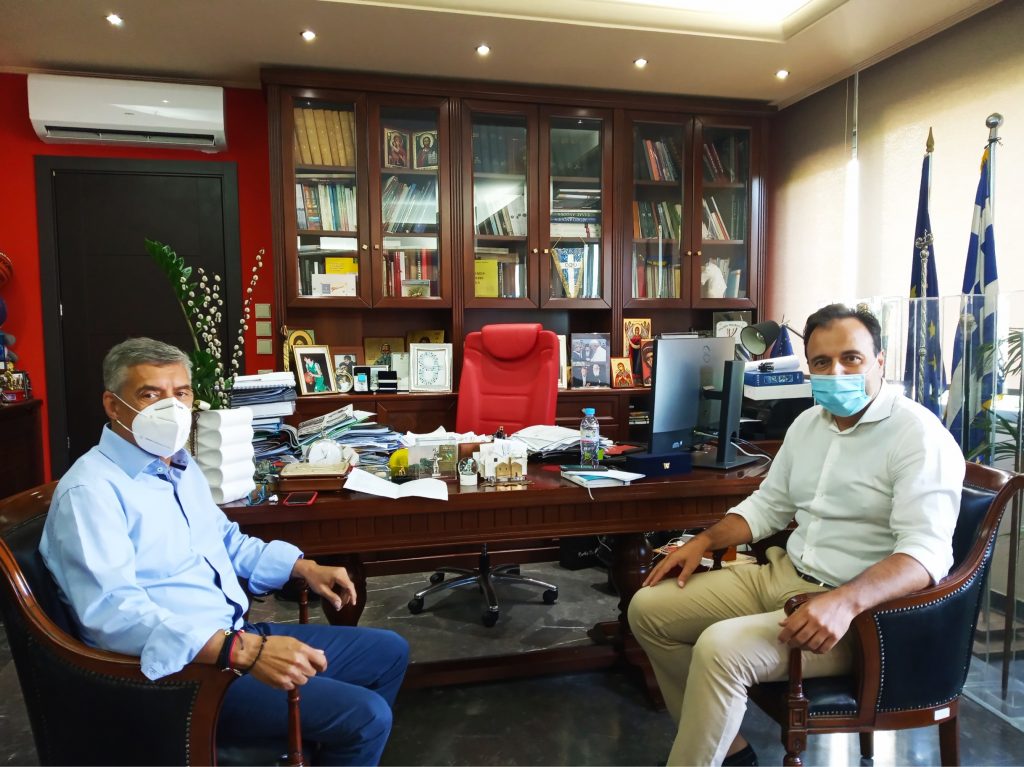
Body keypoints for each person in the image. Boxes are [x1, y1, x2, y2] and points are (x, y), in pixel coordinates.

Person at [40, 338, 409, 765]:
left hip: (233, 636)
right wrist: (241, 651)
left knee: (389, 653)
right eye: (150, 394)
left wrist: (302, 566)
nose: (171, 408)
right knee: (366, 717)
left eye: (181, 393)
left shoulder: (178, 465)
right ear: (113, 405)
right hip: (183, 673)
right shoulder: (91, 491)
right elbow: (113, 614)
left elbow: (226, 541)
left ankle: (325, 745)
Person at [627, 304, 964, 767]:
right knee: (648, 610)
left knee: (720, 649)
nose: (836, 371)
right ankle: (730, 753)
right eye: (822, 362)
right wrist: (702, 542)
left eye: (851, 358)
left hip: (859, 616)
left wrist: (844, 602)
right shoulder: (809, 424)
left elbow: (925, 555)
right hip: (786, 576)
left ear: (880, 361)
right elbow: (768, 506)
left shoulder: (918, 435)